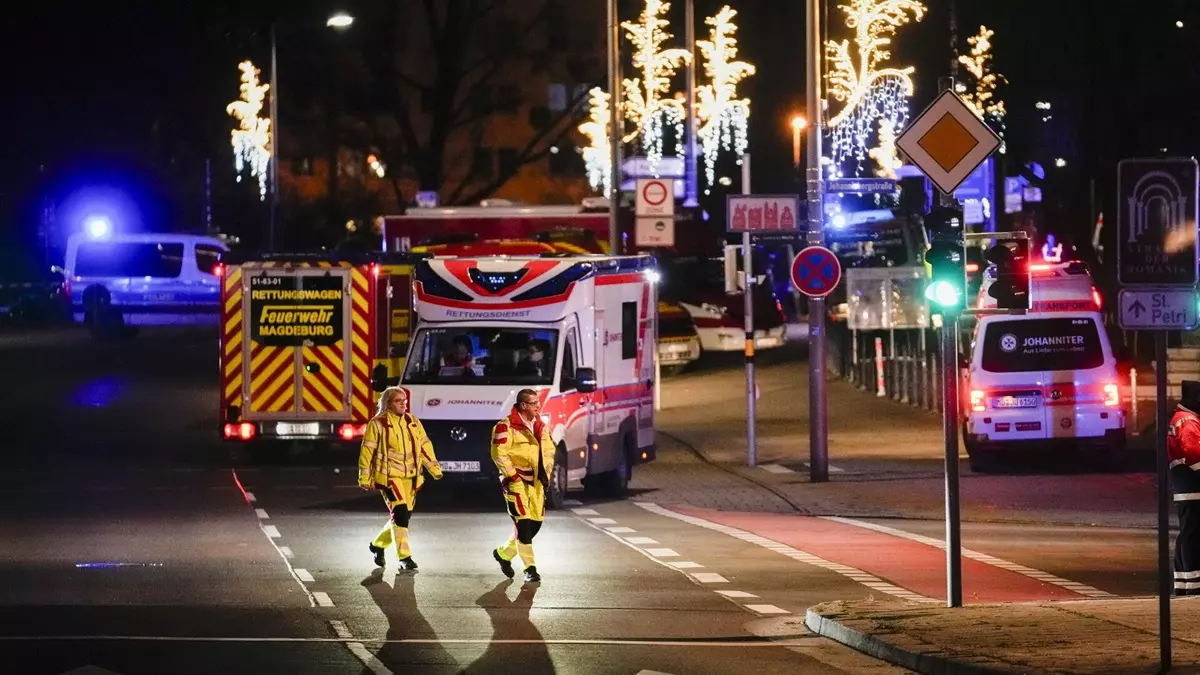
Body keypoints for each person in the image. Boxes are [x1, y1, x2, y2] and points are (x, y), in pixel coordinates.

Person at [358, 386, 443, 570]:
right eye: (398, 401)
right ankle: (404, 557)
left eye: (404, 400)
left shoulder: (412, 421)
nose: (404, 404)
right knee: (401, 513)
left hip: (411, 477)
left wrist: (433, 468)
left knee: (402, 517)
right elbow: (367, 451)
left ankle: (377, 545)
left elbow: (424, 445)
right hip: (389, 477)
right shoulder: (377, 423)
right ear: (388, 404)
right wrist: (364, 477)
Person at [489, 388, 554, 583]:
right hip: (515, 483)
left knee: (534, 525)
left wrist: (546, 472)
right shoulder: (504, 427)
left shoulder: (541, 425)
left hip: (536, 483)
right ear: (524, 405)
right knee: (523, 524)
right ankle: (530, 568)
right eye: (534, 403)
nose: (538, 406)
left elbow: (549, 450)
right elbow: (498, 453)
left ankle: (503, 554)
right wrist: (513, 476)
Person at [1170, 380, 1200, 595]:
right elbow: (1193, 452)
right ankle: (1194, 584)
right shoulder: (1189, 421)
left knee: (1187, 533)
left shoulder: (1181, 418)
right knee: (1193, 534)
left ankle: (1183, 582)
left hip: (1185, 486)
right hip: (1193, 485)